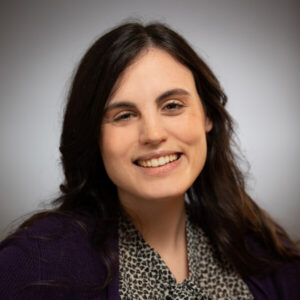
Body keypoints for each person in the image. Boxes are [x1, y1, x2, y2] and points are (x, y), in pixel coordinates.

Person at [0, 21, 299, 300]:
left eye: (172, 106)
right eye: (124, 115)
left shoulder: (269, 259)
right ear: (93, 135)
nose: (153, 134)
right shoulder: (34, 265)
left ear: (208, 116)